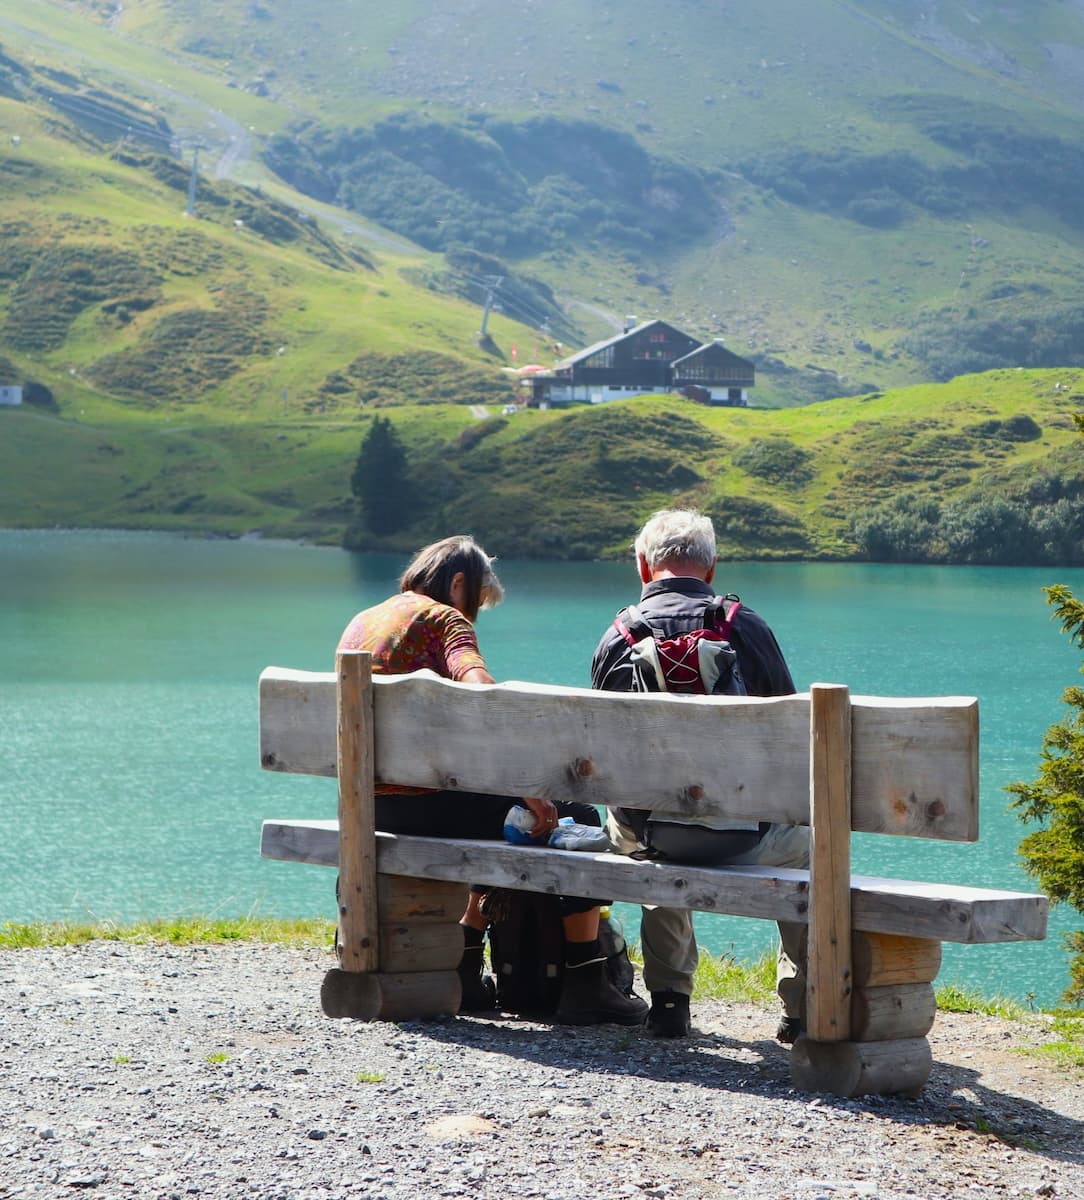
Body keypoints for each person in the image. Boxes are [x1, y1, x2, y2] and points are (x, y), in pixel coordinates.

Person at [337, 534, 647, 1027]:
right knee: (577, 817)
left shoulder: (365, 619)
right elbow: (480, 692)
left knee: (505, 819)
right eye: (477, 601)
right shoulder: (443, 618)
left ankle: (464, 964)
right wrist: (525, 783)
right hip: (426, 805)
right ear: (458, 583)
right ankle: (586, 981)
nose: (475, 614)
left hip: (371, 807)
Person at [591, 509, 809, 1040]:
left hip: (652, 836)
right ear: (711, 570)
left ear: (643, 566)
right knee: (811, 843)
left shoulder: (616, 637)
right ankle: (804, 1006)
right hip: (748, 838)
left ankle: (669, 1001)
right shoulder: (746, 627)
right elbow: (790, 734)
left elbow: (599, 754)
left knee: (640, 823)